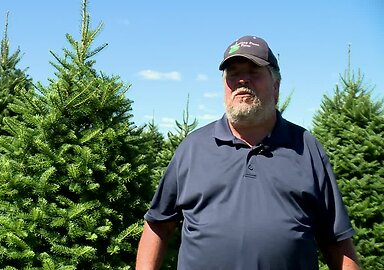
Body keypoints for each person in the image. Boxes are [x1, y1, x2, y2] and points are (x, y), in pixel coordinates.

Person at [136, 35, 360, 270]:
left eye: (254, 72)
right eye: (233, 73)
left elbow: (336, 240)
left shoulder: (306, 147)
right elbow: (158, 224)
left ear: (276, 86)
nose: (242, 80)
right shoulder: (193, 148)